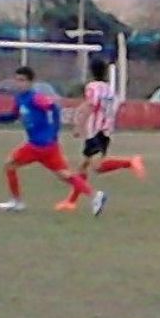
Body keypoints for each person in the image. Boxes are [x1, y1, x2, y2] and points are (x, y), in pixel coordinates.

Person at [0, 66, 107, 216]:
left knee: (10, 165)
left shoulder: (35, 97)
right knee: (64, 174)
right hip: (46, 146)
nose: (19, 83)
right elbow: (13, 116)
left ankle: (17, 202)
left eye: (22, 80)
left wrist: (54, 132)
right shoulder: (20, 98)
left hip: (39, 145)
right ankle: (95, 195)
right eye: (17, 80)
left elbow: (53, 108)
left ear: (31, 82)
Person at [55, 58, 145, 212]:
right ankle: (71, 202)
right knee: (84, 167)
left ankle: (129, 162)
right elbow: (109, 106)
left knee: (95, 166)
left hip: (95, 130)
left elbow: (92, 105)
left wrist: (79, 126)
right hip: (106, 129)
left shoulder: (92, 87)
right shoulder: (109, 89)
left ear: (91, 71)